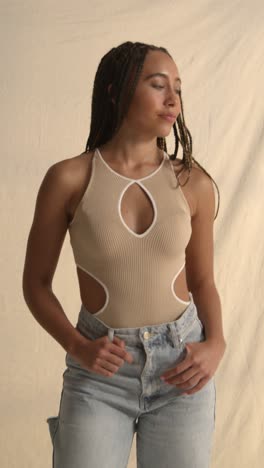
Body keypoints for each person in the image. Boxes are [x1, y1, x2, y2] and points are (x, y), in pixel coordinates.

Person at [22, 41, 226, 468]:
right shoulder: (69, 178)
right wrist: (78, 346)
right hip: (100, 373)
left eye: (178, 88)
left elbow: (203, 280)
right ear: (116, 91)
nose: (172, 100)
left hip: (180, 368)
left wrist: (216, 344)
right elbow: (35, 284)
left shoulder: (193, 183)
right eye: (157, 85)